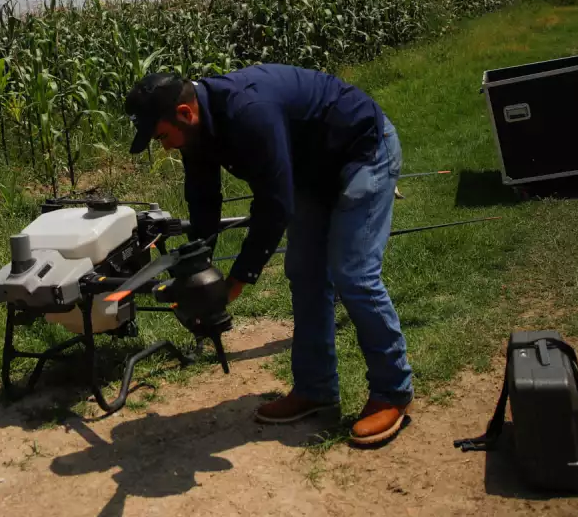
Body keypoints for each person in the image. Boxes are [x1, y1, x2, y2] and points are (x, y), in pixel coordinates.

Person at [124, 64, 414, 445]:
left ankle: (393, 391)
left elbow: (275, 204)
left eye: (162, 136)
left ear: (184, 114)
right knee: (304, 272)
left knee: (353, 273)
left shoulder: (248, 111)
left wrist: (237, 281)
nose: (165, 146)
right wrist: (199, 268)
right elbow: (204, 197)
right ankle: (316, 389)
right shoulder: (196, 131)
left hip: (362, 150)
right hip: (312, 169)